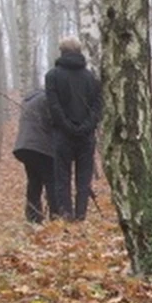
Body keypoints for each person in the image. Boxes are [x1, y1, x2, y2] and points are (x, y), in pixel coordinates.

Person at [45, 36, 102, 221]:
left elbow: (54, 107)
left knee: (62, 178)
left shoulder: (52, 76)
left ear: (61, 51)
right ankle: (81, 215)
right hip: (86, 136)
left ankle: (66, 215)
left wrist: (68, 127)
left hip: (62, 135)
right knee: (83, 179)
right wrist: (85, 127)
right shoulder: (91, 77)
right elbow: (97, 107)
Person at [12, 90, 57, 223]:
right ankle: (57, 217)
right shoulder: (47, 99)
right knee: (51, 181)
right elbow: (54, 122)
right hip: (41, 146)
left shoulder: (29, 101)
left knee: (34, 181)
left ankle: (33, 217)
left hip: (24, 146)